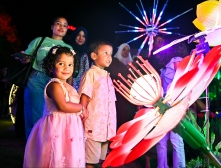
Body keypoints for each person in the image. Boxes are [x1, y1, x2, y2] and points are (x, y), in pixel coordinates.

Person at [23, 46, 86, 167]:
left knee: (69, 156)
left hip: (70, 130)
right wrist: (82, 108)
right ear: (52, 66)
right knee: (56, 155)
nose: (66, 68)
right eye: (61, 63)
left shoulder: (69, 86)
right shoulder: (55, 85)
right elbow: (63, 106)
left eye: (70, 64)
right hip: (57, 129)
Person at [21, 16, 73, 140]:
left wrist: (69, 88)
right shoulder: (40, 41)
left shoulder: (68, 48)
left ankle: (49, 150)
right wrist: (24, 58)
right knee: (35, 116)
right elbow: (26, 58)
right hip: (37, 80)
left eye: (65, 25)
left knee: (55, 116)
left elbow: (69, 70)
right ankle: (33, 151)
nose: (61, 27)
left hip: (57, 82)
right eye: (58, 24)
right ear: (52, 26)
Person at [78, 40, 117, 168]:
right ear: (94, 56)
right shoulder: (91, 73)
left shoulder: (107, 76)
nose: (109, 57)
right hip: (94, 127)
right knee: (90, 161)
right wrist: (82, 114)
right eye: (105, 53)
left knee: (101, 160)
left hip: (106, 128)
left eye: (110, 54)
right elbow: (85, 95)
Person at [157, 56, 186, 168]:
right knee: (161, 141)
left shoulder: (177, 60)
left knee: (176, 140)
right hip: (162, 107)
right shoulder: (163, 69)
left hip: (175, 106)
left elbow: (181, 80)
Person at [105, 43, 138, 129]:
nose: (126, 52)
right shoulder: (114, 61)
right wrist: (126, 68)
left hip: (128, 97)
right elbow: (114, 73)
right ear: (119, 50)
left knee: (128, 119)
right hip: (117, 96)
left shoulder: (131, 64)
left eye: (128, 50)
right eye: (124, 49)